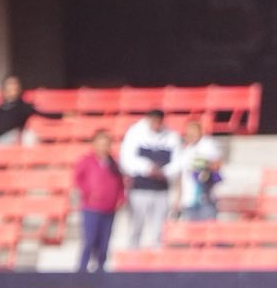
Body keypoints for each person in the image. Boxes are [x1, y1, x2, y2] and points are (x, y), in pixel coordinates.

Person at [118, 109, 183, 252]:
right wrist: (147, 168)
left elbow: (178, 163)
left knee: (159, 228)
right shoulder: (135, 133)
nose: (155, 125)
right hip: (139, 189)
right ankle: (133, 255)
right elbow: (126, 160)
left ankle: (156, 258)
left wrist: (164, 171)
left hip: (161, 189)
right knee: (136, 226)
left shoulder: (172, 136)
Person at [73, 130, 125, 273]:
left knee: (104, 244)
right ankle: (82, 271)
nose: (103, 148)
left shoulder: (114, 163)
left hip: (109, 209)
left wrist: (121, 198)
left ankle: (100, 271)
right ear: (94, 145)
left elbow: (120, 183)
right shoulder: (86, 161)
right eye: (100, 144)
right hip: (92, 208)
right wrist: (89, 194)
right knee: (90, 241)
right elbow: (78, 180)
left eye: (106, 144)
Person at [0, 74, 59, 145]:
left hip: (11, 139)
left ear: (19, 88)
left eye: (14, 85)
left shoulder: (23, 107)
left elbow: (43, 113)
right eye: (9, 85)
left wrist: (63, 115)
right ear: (3, 90)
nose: (12, 87)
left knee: (29, 136)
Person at [178, 118, 223, 220]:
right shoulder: (185, 151)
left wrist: (204, 165)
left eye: (194, 131)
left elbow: (217, 164)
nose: (192, 135)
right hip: (189, 199)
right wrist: (178, 199)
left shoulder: (207, 145)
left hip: (205, 197)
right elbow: (182, 176)